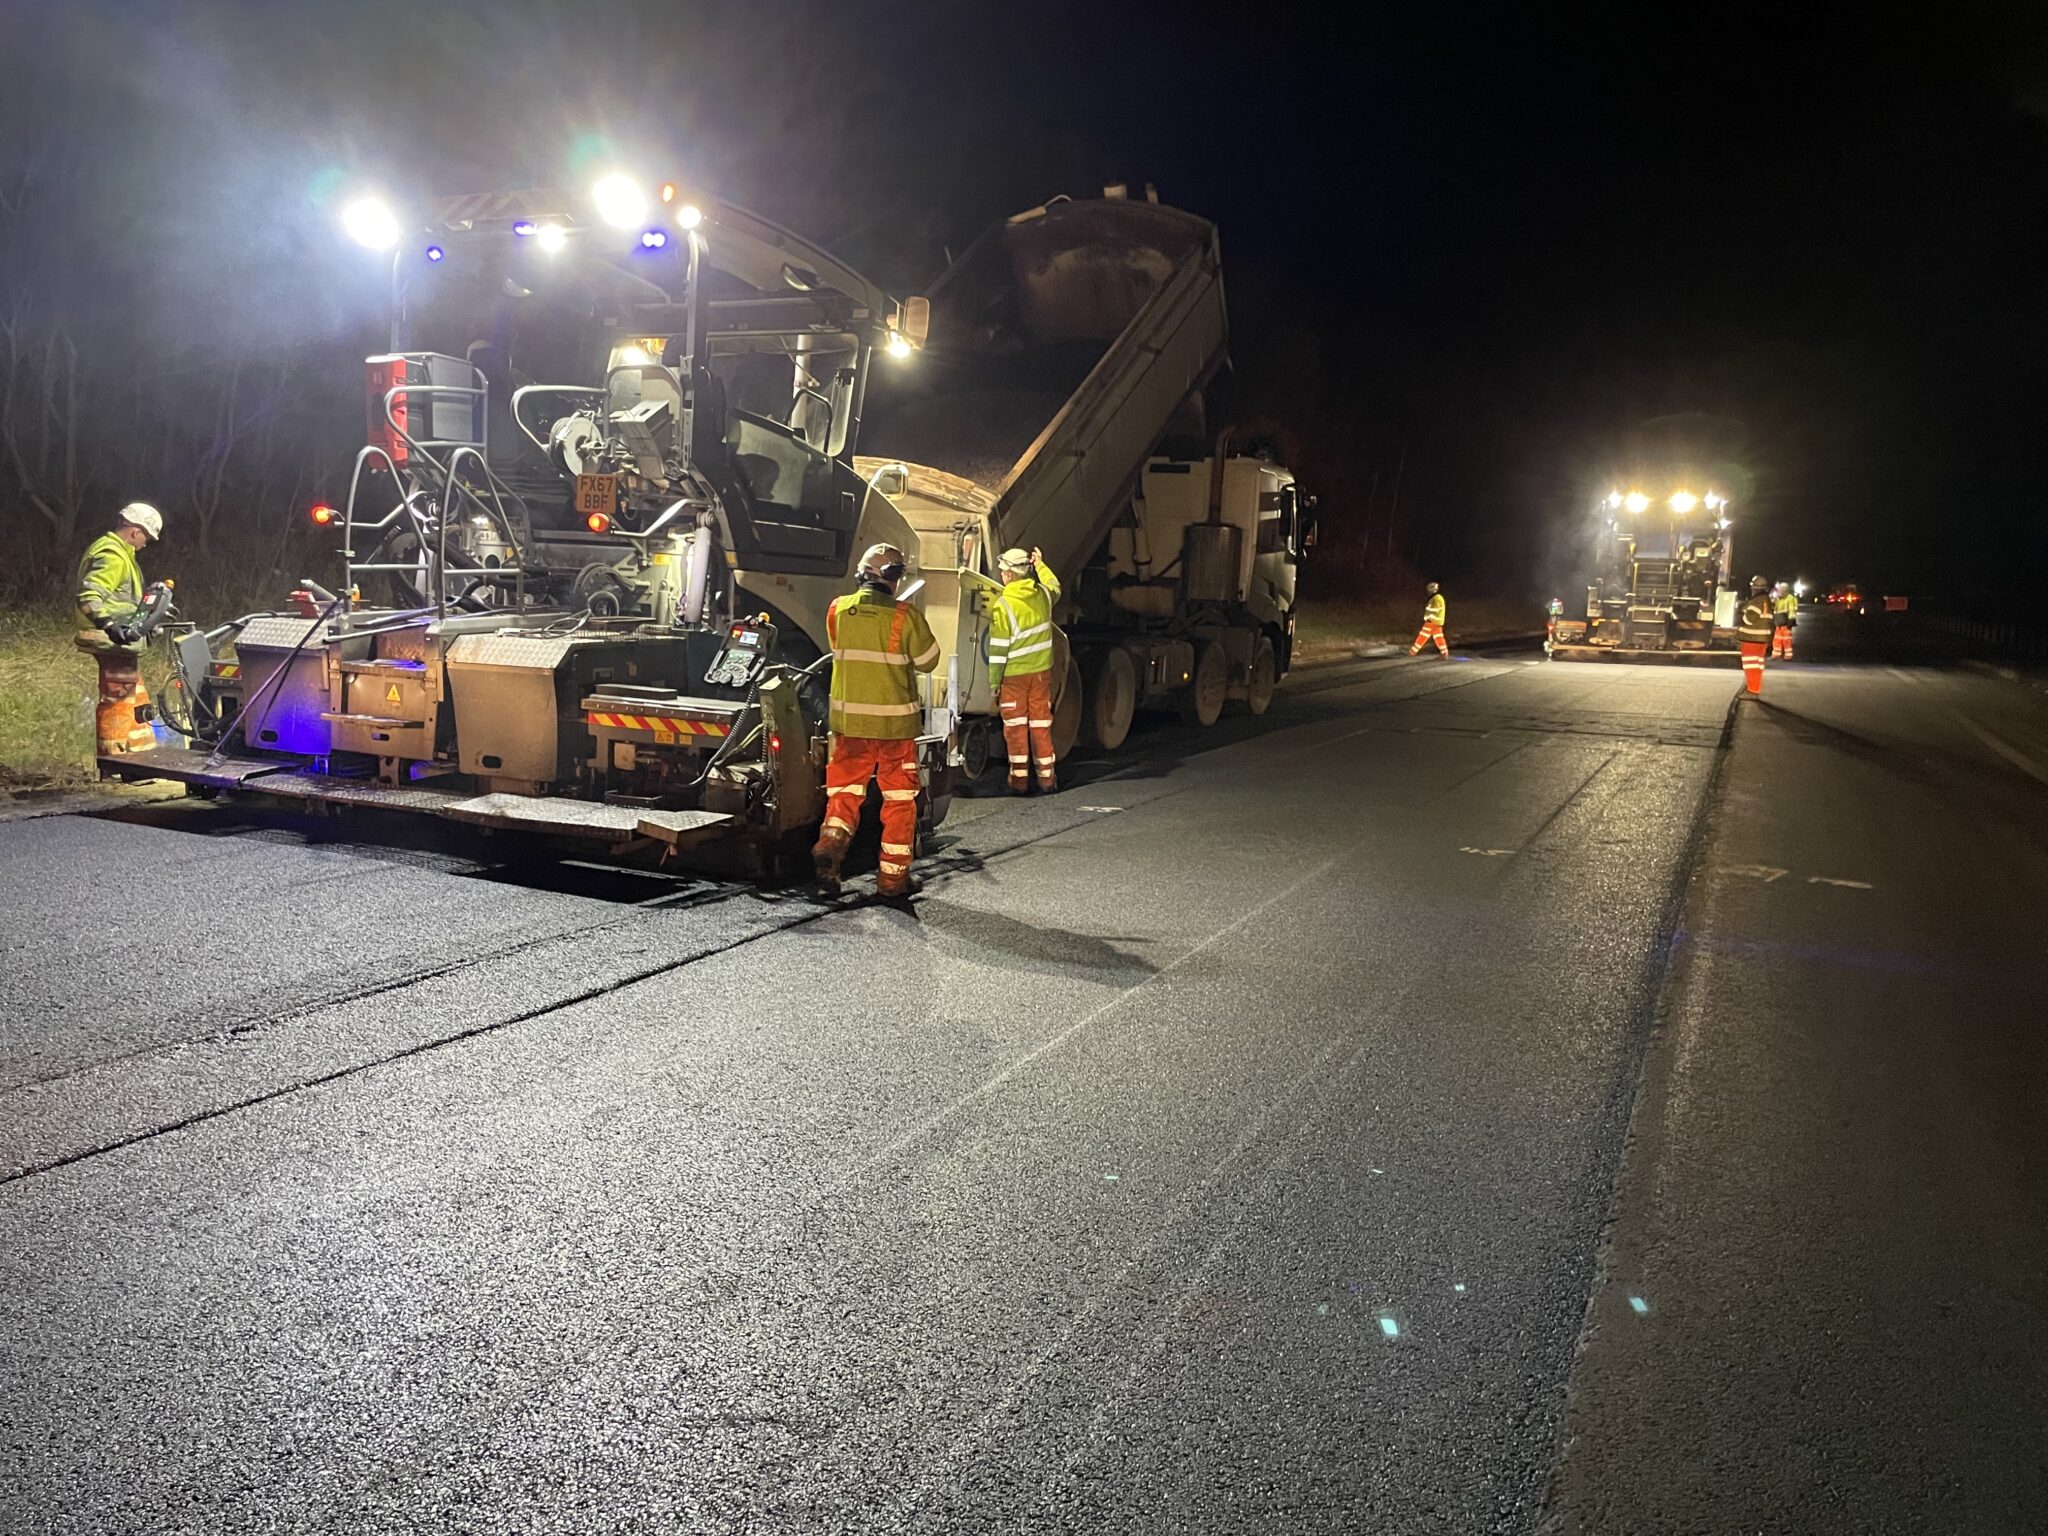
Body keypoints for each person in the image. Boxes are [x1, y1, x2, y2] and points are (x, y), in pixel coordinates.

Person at [812, 542, 942, 899]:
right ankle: (892, 882)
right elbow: (930, 660)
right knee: (899, 802)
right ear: (893, 578)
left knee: (844, 795)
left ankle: (831, 845)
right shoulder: (905, 616)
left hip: (849, 726)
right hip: (895, 730)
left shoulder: (837, 610)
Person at [74, 503, 166, 755]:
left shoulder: (120, 553)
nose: (146, 543)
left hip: (120, 641)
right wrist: (111, 626)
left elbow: (123, 600)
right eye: (146, 536)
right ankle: (113, 761)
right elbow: (89, 595)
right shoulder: (113, 555)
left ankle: (139, 758)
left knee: (135, 698)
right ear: (135, 531)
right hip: (112, 641)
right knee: (118, 700)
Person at [987, 545, 1062, 794]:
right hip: (1041, 675)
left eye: (1002, 572)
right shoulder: (1042, 594)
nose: (1001, 575)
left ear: (1010, 574)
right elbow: (1055, 586)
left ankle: (1019, 782)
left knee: (1016, 728)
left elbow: (998, 650)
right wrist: (1041, 564)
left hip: (1013, 678)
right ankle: (1047, 780)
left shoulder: (1004, 605)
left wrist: (994, 682)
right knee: (1041, 725)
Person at [1738, 574, 1773, 697]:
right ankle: (1755, 687)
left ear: (1755, 588)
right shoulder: (1766, 600)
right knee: (1757, 664)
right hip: (1761, 639)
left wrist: (1741, 614)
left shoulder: (1757, 601)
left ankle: (1752, 689)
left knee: (1750, 664)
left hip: (1751, 638)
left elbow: (1750, 618)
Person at [1410, 581, 1449, 657]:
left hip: (1431, 622)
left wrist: (1427, 617)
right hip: (1437, 622)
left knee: (1422, 636)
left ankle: (1413, 651)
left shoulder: (1436, 598)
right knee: (1439, 638)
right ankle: (1444, 653)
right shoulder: (1438, 598)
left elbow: (1433, 610)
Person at [1771, 581, 1798, 660]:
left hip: (1786, 622)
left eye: (1782, 589)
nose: (1780, 591)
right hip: (1778, 622)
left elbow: (1792, 610)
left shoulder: (1790, 598)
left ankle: (1788, 655)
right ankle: (1776, 654)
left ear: (1786, 590)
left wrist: (1791, 620)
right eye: (1779, 589)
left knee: (1786, 640)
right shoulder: (1778, 599)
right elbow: (1774, 608)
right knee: (1777, 639)